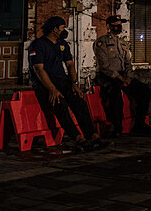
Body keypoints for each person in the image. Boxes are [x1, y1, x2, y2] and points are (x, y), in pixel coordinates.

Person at [28, 16, 106, 151]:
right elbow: (38, 69)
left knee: (79, 100)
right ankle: (77, 138)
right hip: (44, 84)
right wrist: (52, 89)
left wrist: (74, 83)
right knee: (60, 104)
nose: (65, 30)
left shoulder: (63, 45)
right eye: (62, 28)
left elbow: (70, 64)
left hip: (62, 81)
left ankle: (92, 135)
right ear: (54, 29)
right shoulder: (38, 44)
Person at [94, 16, 151, 136]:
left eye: (119, 24)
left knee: (144, 90)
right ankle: (116, 126)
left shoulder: (123, 43)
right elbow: (104, 66)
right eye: (115, 24)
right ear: (108, 26)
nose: (118, 26)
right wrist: (120, 78)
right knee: (115, 92)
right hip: (107, 76)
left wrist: (128, 77)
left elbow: (128, 63)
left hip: (123, 76)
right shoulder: (101, 43)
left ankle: (140, 123)